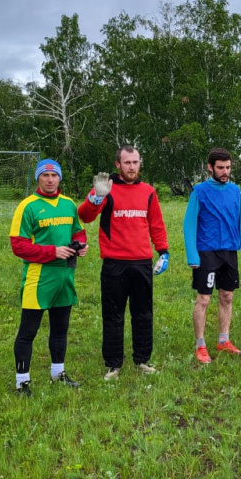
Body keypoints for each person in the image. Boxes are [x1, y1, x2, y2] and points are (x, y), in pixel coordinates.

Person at [78, 145, 169, 381]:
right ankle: (114, 364)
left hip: (142, 263)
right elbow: (85, 216)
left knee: (143, 314)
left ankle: (142, 360)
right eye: (127, 163)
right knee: (113, 315)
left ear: (140, 164)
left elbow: (156, 224)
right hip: (114, 264)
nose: (131, 167)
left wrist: (163, 252)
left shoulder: (148, 192)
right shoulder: (106, 189)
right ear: (118, 165)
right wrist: (96, 197)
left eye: (135, 162)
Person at [9, 158, 88, 396]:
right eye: (45, 175)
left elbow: (78, 231)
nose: (50, 180)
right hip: (39, 277)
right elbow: (18, 246)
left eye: (54, 176)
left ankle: (58, 373)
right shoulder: (27, 206)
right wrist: (52, 252)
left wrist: (81, 245)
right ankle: (22, 382)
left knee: (60, 328)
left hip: (65, 275)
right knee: (28, 331)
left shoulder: (69, 204)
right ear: (38, 178)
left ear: (60, 178)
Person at [183, 147, 241, 363]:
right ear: (210, 167)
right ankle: (200, 345)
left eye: (228, 167)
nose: (225, 172)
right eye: (221, 168)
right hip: (207, 252)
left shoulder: (235, 191)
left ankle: (224, 340)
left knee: (227, 296)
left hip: (229, 251)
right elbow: (189, 224)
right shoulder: (199, 192)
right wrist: (192, 256)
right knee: (204, 299)